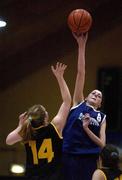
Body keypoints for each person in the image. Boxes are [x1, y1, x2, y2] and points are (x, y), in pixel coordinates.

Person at [6, 62, 71, 180]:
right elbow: (67, 101)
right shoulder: (54, 127)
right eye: (45, 111)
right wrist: (60, 77)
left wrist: (20, 125)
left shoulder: (26, 131)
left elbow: (8, 141)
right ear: (45, 117)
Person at [62, 33, 107, 180]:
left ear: (100, 104)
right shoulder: (78, 103)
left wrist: (87, 129)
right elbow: (81, 73)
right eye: (93, 92)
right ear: (86, 97)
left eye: (99, 95)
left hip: (89, 158)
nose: (95, 94)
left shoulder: (102, 117)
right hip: (70, 155)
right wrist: (81, 46)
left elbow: (102, 144)